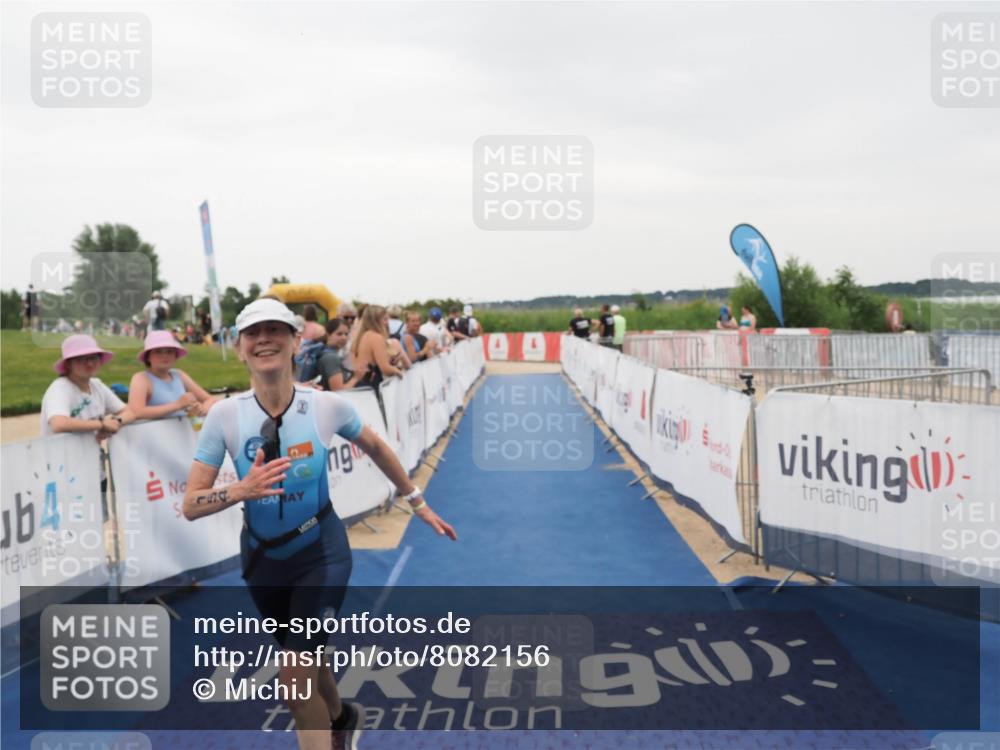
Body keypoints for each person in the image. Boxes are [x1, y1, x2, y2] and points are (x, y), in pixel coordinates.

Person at [183, 298, 456, 750]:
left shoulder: (326, 407)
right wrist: (240, 491)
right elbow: (192, 504)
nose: (264, 339)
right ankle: (343, 716)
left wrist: (416, 500)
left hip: (320, 552)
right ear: (239, 347)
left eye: (275, 330)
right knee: (305, 659)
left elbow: (377, 446)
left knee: (293, 678)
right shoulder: (224, 417)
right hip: (263, 559)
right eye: (253, 332)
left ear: (294, 342)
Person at [41, 334, 135, 440]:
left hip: (87, 455)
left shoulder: (97, 385)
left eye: (93, 358)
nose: (90, 364)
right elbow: (58, 424)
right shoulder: (60, 388)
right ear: (68, 364)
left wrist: (115, 422)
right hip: (60, 455)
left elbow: (130, 412)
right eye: (81, 359)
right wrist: (101, 424)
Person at [127, 331, 219, 420]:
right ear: (148, 357)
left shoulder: (179, 375)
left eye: (169, 351)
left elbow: (210, 399)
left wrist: (202, 409)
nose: (165, 356)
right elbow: (136, 412)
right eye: (158, 351)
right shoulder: (142, 379)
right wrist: (178, 405)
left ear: (175, 356)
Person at [351, 305, 404, 388]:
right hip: (372, 385)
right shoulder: (376, 337)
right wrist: (399, 371)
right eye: (385, 319)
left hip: (361, 384)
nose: (387, 322)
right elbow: (385, 368)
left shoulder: (361, 336)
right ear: (376, 320)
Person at [317, 317, 354, 391]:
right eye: (339, 334)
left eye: (346, 334)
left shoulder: (325, 352)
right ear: (328, 335)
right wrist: (356, 378)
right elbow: (338, 391)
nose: (344, 337)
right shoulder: (331, 358)